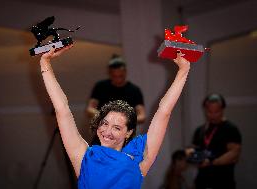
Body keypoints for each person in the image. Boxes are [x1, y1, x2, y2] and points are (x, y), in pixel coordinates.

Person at [39, 45, 190, 189]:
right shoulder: (84, 157)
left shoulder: (139, 159)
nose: (107, 131)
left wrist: (184, 69)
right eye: (104, 123)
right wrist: (45, 63)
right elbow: (62, 109)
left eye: (117, 127)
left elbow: (164, 112)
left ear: (129, 132)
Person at [190, 94, 242, 189]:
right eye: (209, 112)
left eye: (216, 112)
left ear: (222, 110)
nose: (213, 115)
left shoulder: (230, 129)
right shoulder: (200, 130)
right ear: (205, 110)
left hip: (223, 183)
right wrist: (193, 156)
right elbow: (193, 151)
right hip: (201, 182)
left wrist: (211, 162)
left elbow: (234, 154)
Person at [86, 55, 146, 125]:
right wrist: (105, 116)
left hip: (125, 130)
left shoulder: (134, 90)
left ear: (125, 72)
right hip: (103, 128)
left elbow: (142, 116)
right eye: (115, 76)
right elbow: (89, 109)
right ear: (109, 73)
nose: (118, 79)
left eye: (121, 76)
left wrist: (125, 120)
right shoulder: (100, 86)